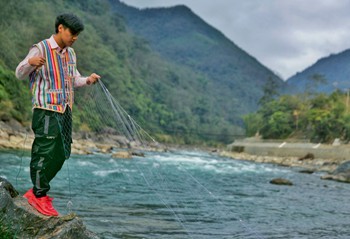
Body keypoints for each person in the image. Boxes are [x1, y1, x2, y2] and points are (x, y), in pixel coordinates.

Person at [15, 13, 100, 216]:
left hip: (65, 111)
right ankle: (39, 194)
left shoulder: (71, 54)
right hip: (46, 109)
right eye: (73, 33)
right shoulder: (40, 48)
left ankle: (37, 191)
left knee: (63, 153)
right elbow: (19, 73)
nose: (75, 37)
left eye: (78, 34)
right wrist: (31, 62)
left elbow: (74, 79)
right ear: (61, 28)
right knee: (43, 152)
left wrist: (87, 80)